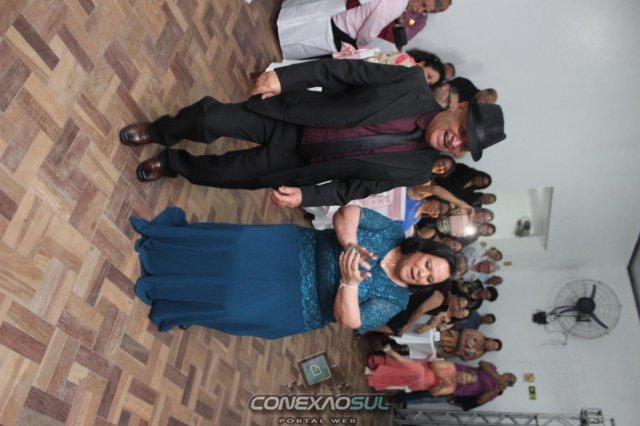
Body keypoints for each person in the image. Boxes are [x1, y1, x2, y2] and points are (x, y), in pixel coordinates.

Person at [120, 60, 507, 208]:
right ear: (460, 108)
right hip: (293, 116)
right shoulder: (409, 83)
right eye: (462, 131)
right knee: (211, 118)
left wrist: (308, 196)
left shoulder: (418, 170)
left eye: (464, 146)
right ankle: (160, 130)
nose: (456, 141)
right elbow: (340, 72)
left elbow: (354, 188)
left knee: (221, 174)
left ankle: (171, 164)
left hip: (297, 163)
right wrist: (284, 79)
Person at [131, 205, 458, 338]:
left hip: (300, 304)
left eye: (430, 279)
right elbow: (348, 213)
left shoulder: (396, 299)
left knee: (232, 303)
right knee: (235, 248)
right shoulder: (392, 233)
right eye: (428, 265)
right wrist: (350, 244)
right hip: (297, 249)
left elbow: (351, 320)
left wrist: (348, 283)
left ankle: (179, 297)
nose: (422, 274)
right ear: (423, 251)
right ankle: (170, 254)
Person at [278, 0, 450, 60]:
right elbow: (369, 30)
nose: (419, 11)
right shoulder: (397, 5)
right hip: (345, 26)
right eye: (423, 4)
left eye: (425, 10)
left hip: (344, 17)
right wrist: (361, 46)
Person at [365, 344, 458, 393]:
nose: (463, 379)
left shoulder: (451, 388)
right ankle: (373, 372)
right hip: (421, 366)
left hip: (420, 383)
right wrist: (441, 376)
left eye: (465, 381)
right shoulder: (451, 366)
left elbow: (433, 393)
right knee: (417, 370)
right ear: (463, 372)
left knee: (419, 372)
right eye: (465, 376)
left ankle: (394, 354)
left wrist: (442, 386)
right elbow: (434, 364)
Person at [451, 361, 516, 411]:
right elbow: (481, 363)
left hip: (456, 387)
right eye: (509, 376)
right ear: (506, 373)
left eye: (510, 382)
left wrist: (493, 391)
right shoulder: (493, 368)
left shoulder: (495, 393)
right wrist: (497, 377)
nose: (507, 379)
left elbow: (479, 401)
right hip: (457, 371)